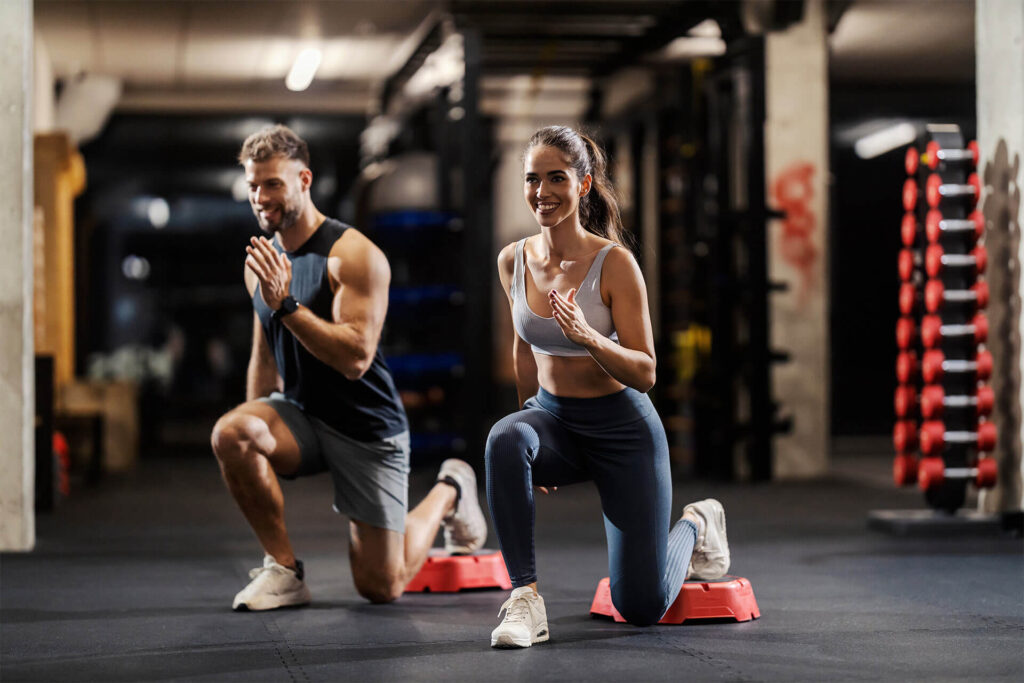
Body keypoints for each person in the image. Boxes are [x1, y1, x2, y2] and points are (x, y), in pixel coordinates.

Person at [211, 124, 486, 611]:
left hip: (365, 426)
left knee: (382, 586)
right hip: (301, 415)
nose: (260, 197)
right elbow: (266, 351)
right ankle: (284, 571)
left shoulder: (353, 255)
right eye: (253, 186)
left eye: (272, 183)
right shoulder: (263, 262)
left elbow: (356, 359)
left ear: (304, 180)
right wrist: (256, 434)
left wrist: (289, 305)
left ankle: (451, 486)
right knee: (232, 433)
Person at [486, 126, 731, 648]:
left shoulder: (614, 264)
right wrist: (529, 445)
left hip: (623, 430)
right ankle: (525, 598)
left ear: (584, 185)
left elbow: (645, 371)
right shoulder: (513, 260)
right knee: (505, 438)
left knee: (640, 606)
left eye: (557, 178)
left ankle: (695, 524)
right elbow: (522, 350)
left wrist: (588, 336)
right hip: (553, 420)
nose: (542, 191)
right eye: (533, 179)